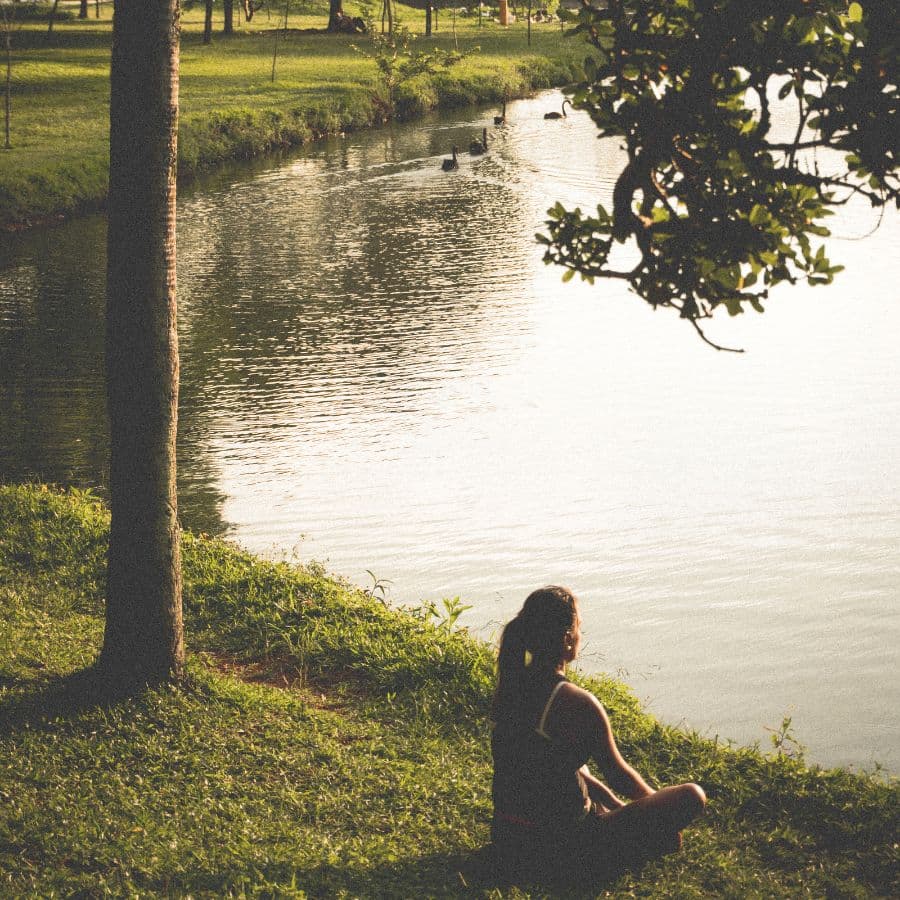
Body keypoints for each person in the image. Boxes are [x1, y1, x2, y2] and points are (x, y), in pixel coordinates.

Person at [491, 585, 706, 884]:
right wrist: (656, 813)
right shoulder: (577, 703)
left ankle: (621, 824)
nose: (581, 634)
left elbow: (561, 769)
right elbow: (619, 776)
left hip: (508, 837)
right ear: (567, 638)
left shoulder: (512, 686)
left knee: (574, 762)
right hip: (560, 848)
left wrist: (620, 808)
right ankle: (632, 839)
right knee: (691, 796)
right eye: (579, 626)